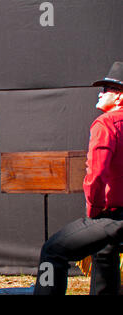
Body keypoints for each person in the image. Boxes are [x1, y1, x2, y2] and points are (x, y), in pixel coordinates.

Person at [33, 61, 123, 295]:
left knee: (52, 251)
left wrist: (93, 210)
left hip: (115, 215)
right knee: (104, 250)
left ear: (120, 96)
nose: (101, 93)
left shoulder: (106, 123)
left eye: (108, 89)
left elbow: (97, 173)